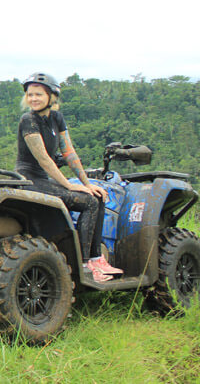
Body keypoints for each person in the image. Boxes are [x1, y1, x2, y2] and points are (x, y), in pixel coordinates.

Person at [15, 73, 123, 282]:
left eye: (38, 94)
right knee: (88, 203)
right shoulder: (28, 120)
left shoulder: (56, 118)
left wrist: (87, 183)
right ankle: (84, 266)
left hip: (43, 179)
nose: (33, 99)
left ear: (51, 96)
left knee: (97, 196)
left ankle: (96, 259)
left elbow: (69, 152)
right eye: (30, 95)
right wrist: (70, 186)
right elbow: (45, 160)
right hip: (29, 178)